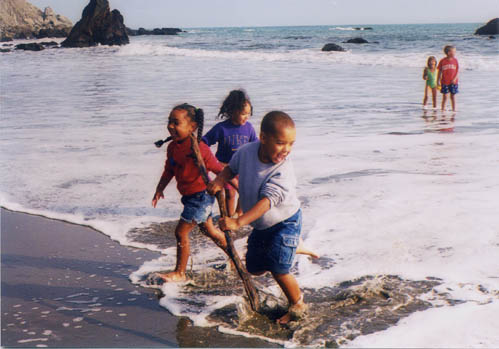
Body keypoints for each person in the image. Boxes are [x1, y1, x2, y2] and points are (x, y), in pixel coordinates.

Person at [207, 111, 309, 324]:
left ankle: (298, 304)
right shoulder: (246, 152)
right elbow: (230, 169)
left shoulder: (283, 170)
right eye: (281, 143)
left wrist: (237, 221)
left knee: (278, 268)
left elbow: (266, 203)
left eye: (291, 144)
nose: (286, 150)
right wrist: (219, 180)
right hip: (263, 225)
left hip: (285, 222)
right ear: (263, 137)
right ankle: (291, 248)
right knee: (253, 267)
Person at [150, 103, 229, 284]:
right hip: (190, 198)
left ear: (192, 127)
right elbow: (169, 170)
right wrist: (159, 189)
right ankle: (233, 255)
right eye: (169, 122)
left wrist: (234, 186)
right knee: (209, 230)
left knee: (181, 232)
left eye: (176, 123)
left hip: (201, 197)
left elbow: (220, 170)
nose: (171, 126)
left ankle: (180, 272)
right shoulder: (173, 147)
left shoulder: (199, 149)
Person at [202, 90, 257, 217]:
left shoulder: (249, 128)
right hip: (225, 167)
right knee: (230, 194)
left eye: (249, 114)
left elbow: (256, 145)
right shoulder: (221, 128)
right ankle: (228, 216)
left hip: (243, 167)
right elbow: (204, 142)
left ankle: (239, 214)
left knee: (244, 191)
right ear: (232, 111)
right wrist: (211, 161)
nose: (246, 117)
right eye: (243, 113)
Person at [437, 45, 459, 111]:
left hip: (453, 82)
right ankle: (443, 109)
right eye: (454, 52)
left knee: (453, 96)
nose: (455, 53)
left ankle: (454, 109)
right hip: (444, 82)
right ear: (449, 53)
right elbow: (439, 71)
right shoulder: (442, 61)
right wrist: (438, 80)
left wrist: (455, 78)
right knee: (445, 97)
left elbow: (457, 71)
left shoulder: (455, 60)